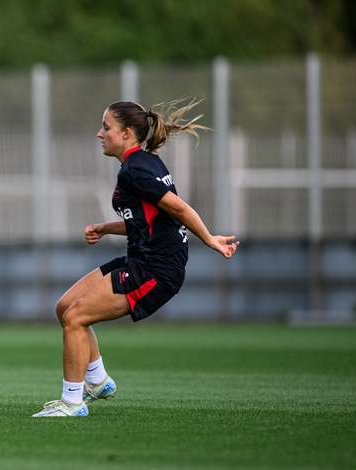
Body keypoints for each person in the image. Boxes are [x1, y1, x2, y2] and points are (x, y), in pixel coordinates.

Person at [32, 99, 239, 417]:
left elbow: (179, 208)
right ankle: (98, 381)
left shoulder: (136, 169)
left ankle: (72, 402)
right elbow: (147, 220)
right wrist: (105, 228)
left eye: (106, 127)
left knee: (76, 318)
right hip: (140, 258)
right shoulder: (143, 163)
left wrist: (209, 239)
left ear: (127, 133)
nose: (100, 134)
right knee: (65, 307)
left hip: (156, 269)